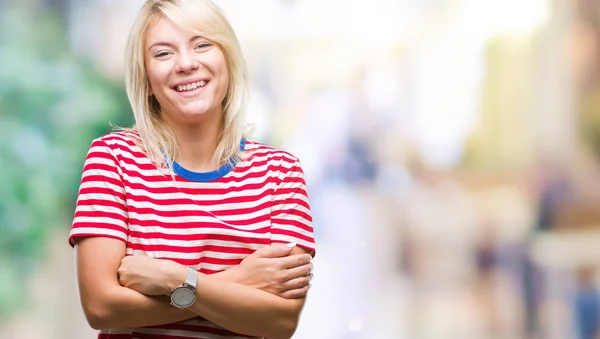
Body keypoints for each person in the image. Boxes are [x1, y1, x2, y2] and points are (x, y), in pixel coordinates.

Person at [68, 0, 316, 338]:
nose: (186, 64)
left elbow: (280, 323)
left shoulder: (280, 173)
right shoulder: (113, 159)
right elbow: (102, 307)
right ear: (146, 76)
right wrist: (239, 282)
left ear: (227, 58)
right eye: (163, 53)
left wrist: (171, 279)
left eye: (202, 44)